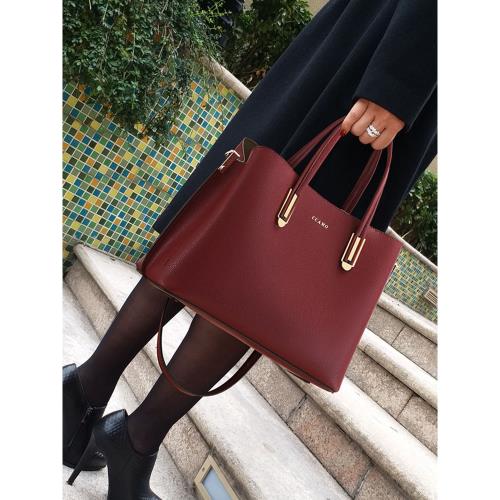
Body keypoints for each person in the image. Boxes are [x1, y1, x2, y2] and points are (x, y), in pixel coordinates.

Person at [64, 1, 437, 498]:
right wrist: (400, 81)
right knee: (277, 264)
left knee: (231, 227)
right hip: (400, 57)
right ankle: (136, 438)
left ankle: (83, 393)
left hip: (378, 42)